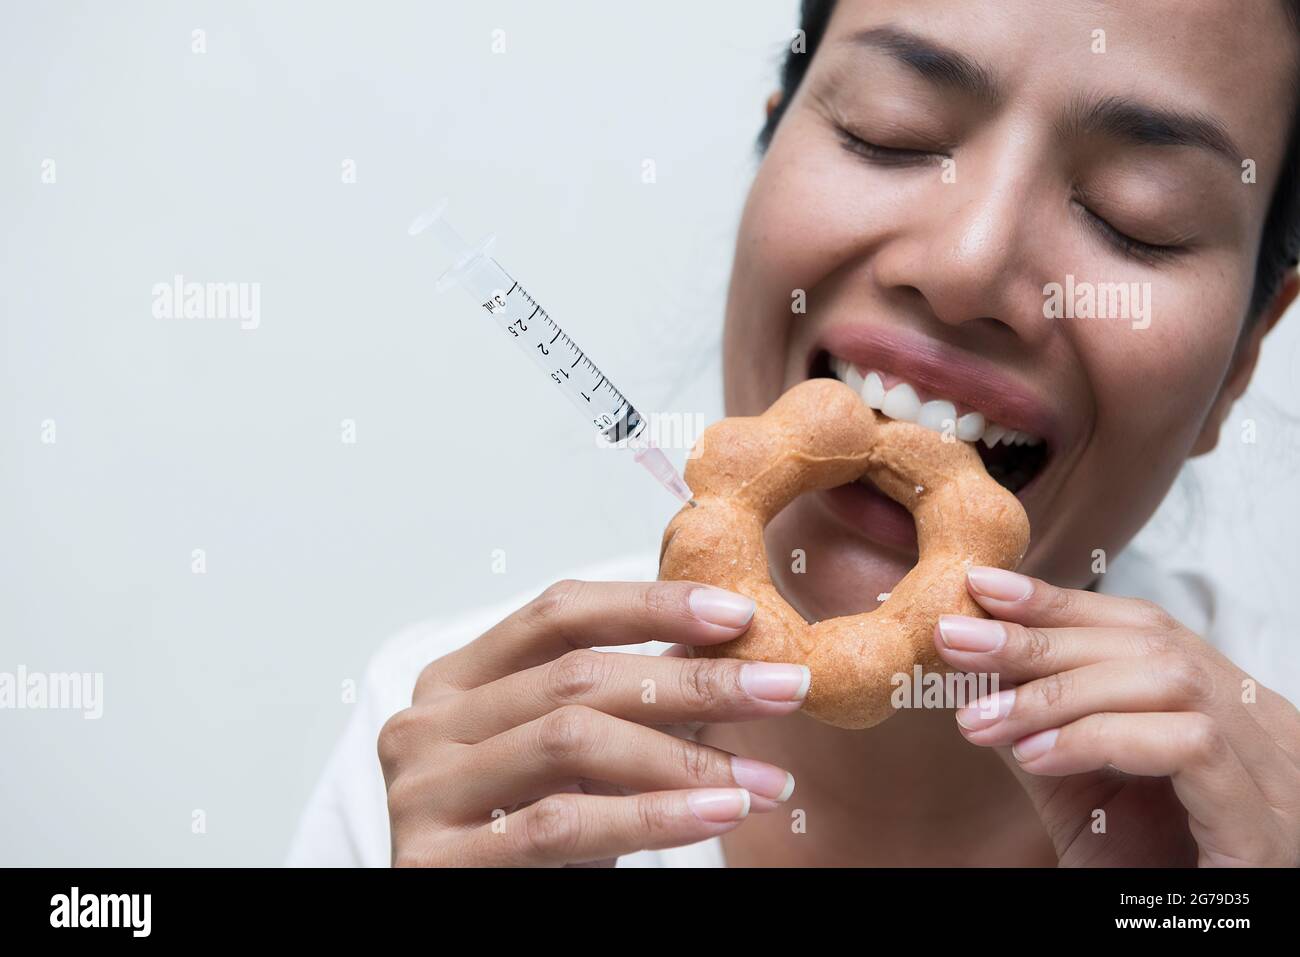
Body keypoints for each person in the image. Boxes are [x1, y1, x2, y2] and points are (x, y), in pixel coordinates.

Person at [289, 0, 1300, 867]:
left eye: (1139, 216)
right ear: (766, 150)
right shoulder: (453, 755)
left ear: (1243, 359)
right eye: (891, 131)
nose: (967, 261)